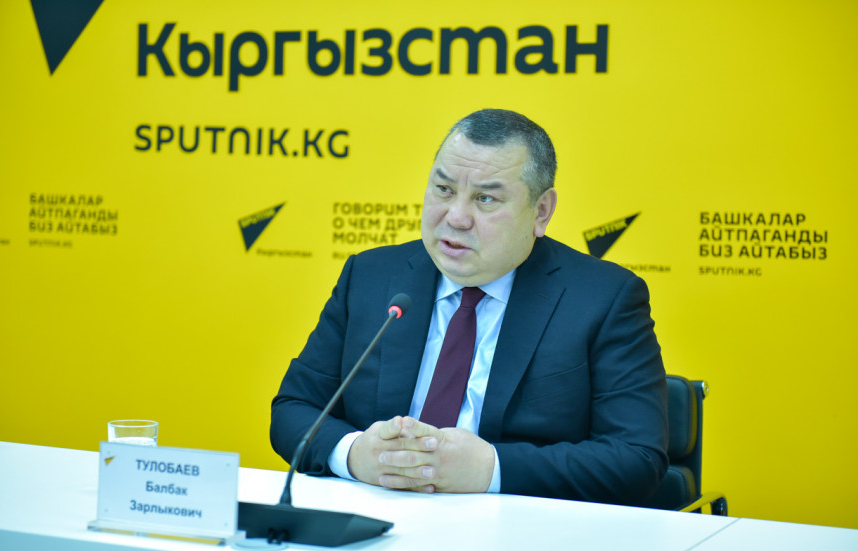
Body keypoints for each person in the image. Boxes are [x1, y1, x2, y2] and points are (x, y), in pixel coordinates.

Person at [270, 108, 668, 505]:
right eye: (444, 190)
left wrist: (491, 469)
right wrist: (354, 453)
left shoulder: (603, 299)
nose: (457, 217)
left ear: (541, 211)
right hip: (378, 518)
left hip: (521, 532)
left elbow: (637, 459)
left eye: (485, 198)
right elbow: (294, 409)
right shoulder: (372, 277)